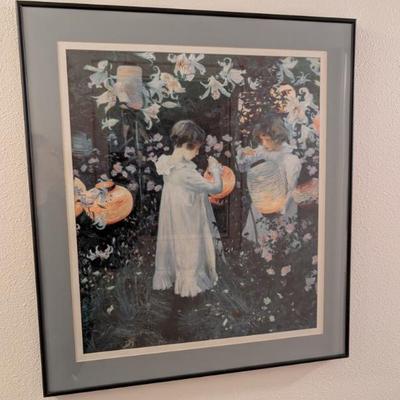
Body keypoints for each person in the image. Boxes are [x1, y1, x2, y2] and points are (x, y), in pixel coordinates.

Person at [153, 120, 224, 297]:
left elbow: (189, 188)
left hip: (175, 213)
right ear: (187, 145)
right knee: (190, 246)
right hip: (188, 216)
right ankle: (189, 284)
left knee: (178, 245)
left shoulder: (167, 163)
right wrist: (215, 170)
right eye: (196, 148)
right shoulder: (186, 172)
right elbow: (216, 188)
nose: (198, 152)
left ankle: (177, 278)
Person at [236, 115, 302, 245]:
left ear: (278, 138)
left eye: (267, 139)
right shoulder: (262, 151)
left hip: (282, 205)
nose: (264, 143)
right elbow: (242, 168)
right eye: (262, 140)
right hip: (263, 202)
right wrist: (243, 155)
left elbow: (291, 188)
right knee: (260, 240)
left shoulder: (290, 159)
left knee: (279, 242)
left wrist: (281, 208)